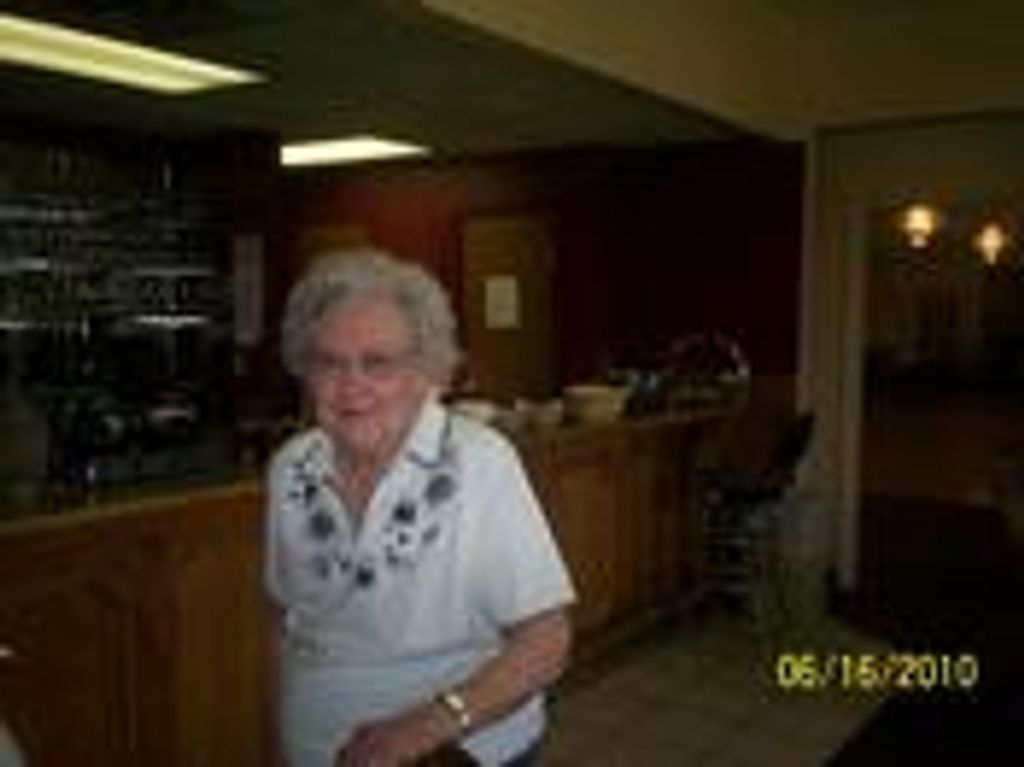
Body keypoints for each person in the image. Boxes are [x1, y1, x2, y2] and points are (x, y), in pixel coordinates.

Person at [264, 249, 575, 767]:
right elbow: (281, 620)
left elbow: (546, 640)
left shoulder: (480, 462)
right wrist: (277, 741)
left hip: (461, 750)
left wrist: (422, 728)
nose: (351, 385)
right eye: (328, 362)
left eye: (377, 362)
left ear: (424, 371)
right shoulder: (290, 468)